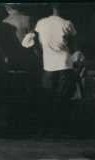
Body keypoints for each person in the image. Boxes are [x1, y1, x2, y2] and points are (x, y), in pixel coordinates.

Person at [22, 3, 76, 136]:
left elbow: (34, 42)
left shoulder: (41, 23)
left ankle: (46, 129)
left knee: (47, 97)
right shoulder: (67, 23)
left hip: (48, 65)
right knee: (63, 97)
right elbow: (73, 42)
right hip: (65, 63)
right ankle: (61, 129)